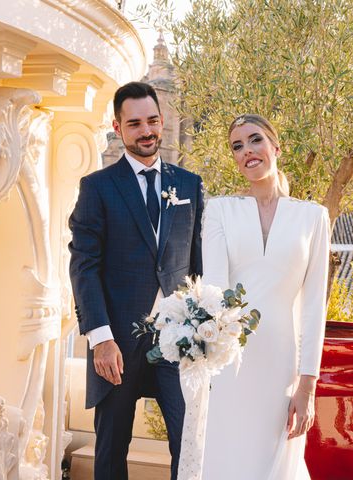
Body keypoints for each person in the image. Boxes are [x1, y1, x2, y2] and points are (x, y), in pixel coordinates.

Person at [68, 81, 204, 480]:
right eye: (135, 123)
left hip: (177, 342)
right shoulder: (97, 188)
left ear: (162, 121)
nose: (147, 131)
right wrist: (101, 339)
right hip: (118, 346)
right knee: (111, 449)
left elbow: (197, 266)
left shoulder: (189, 185)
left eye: (153, 121)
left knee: (191, 442)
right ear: (118, 126)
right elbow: (84, 267)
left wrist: (202, 332)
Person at [201, 114, 330, 479]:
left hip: (283, 367)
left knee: (277, 464)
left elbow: (313, 307)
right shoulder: (220, 211)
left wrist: (307, 385)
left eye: (255, 140)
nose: (247, 151)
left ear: (276, 147)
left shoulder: (313, 218)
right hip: (231, 363)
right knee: (228, 461)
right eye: (237, 147)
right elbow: (214, 291)